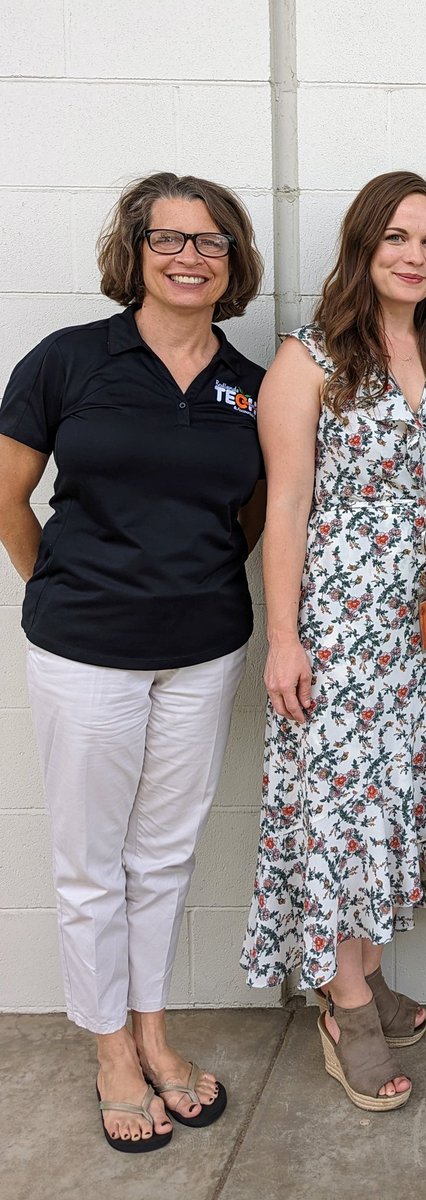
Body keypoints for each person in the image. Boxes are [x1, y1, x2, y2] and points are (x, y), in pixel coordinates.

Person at [0, 173, 265, 1152]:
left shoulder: (251, 383)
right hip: (86, 653)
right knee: (89, 864)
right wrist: (62, 585)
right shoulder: (67, 360)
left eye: (211, 241)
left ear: (233, 260)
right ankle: (110, 1047)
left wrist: (185, 583)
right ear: (135, 250)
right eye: (170, 239)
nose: (191, 257)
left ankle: (152, 1031)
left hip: (203, 653)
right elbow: (8, 496)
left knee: (163, 856)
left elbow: (252, 514)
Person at [240, 171, 426, 1112]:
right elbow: (286, 506)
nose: (413, 256)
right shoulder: (308, 360)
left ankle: (370, 969)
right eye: (396, 237)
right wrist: (285, 639)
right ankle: (344, 1004)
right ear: (362, 246)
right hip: (343, 630)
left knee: (394, 804)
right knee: (347, 810)